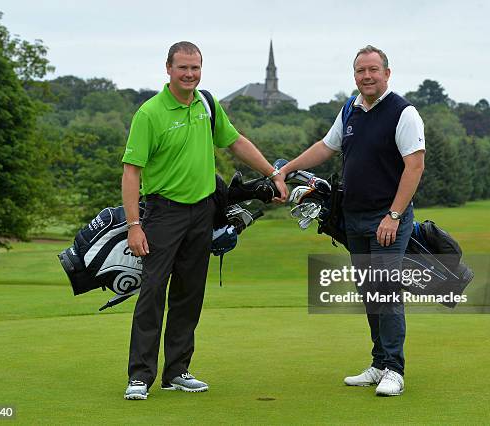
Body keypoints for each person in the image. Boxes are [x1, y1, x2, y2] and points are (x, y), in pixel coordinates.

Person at [121, 41, 287, 400]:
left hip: (201, 211)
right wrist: (135, 225)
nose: (190, 74)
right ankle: (140, 376)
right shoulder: (150, 113)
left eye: (195, 68)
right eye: (183, 68)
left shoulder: (206, 105)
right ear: (168, 69)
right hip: (163, 212)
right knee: (152, 293)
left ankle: (177, 371)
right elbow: (131, 172)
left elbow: (236, 142)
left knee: (189, 294)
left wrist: (273, 173)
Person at [275, 45, 425, 396]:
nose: (367, 76)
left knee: (386, 290)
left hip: (388, 218)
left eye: (373, 70)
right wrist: (287, 168)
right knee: (370, 291)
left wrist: (394, 214)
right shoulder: (350, 109)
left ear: (387, 73)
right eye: (361, 71)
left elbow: (414, 166)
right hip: (354, 218)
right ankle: (378, 364)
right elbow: (326, 147)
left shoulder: (404, 113)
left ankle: (394, 369)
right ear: (354, 75)